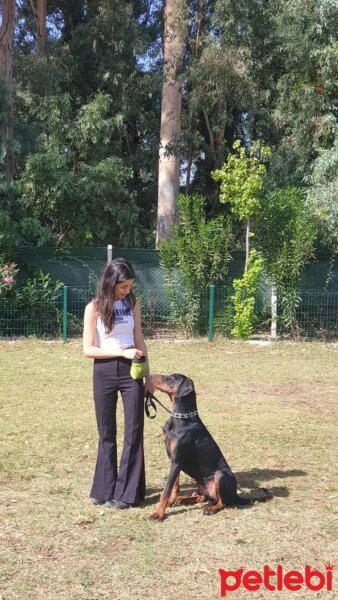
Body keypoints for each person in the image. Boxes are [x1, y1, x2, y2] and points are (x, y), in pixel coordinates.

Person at [83, 258, 153, 509]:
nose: (127, 291)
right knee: (106, 432)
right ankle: (104, 489)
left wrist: (148, 377)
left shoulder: (132, 304)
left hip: (131, 371)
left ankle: (127, 493)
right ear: (111, 282)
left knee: (134, 431)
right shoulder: (94, 308)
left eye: (130, 286)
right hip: (103, 371)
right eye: (123, 286)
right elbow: (88, 349)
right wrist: (119, 354)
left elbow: (139, 339)